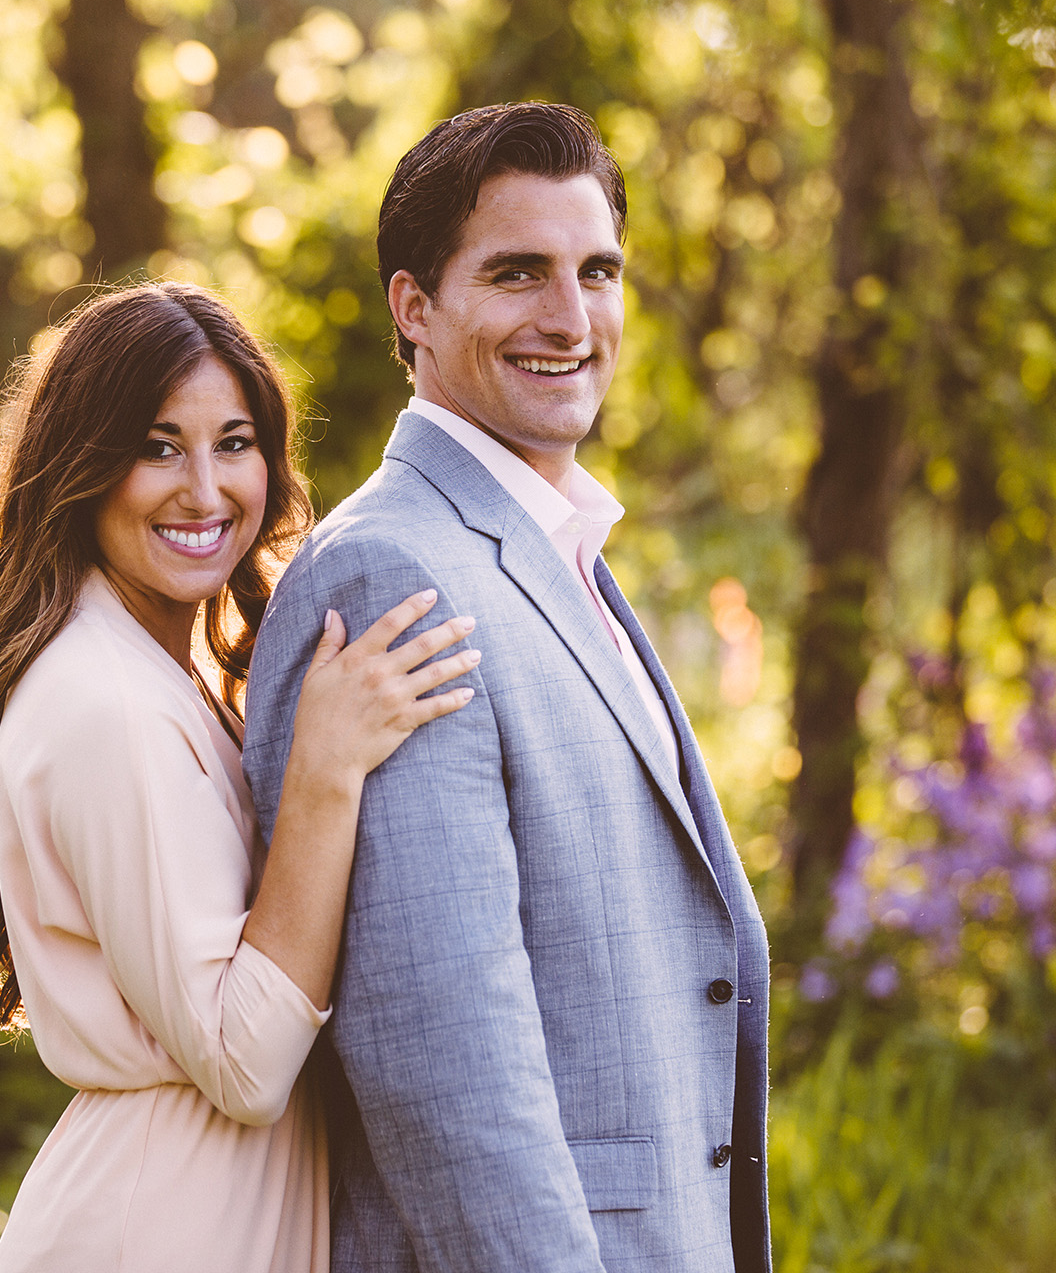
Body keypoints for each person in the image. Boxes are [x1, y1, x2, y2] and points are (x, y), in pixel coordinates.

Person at [242, 103, 772, 1272]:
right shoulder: (393, 573)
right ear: (415, 307)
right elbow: (448, 1060)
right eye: (518, 272)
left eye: (598, 271)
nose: (570, 318)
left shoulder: (551, 551)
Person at [0, 282, 479, 1273]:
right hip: (163, 1227)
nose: (205, 489)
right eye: (155, 446)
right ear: (82, 466)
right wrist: (323, 772)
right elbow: (245, 1060)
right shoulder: (111, 706)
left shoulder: (162, 673)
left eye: (234, 442)